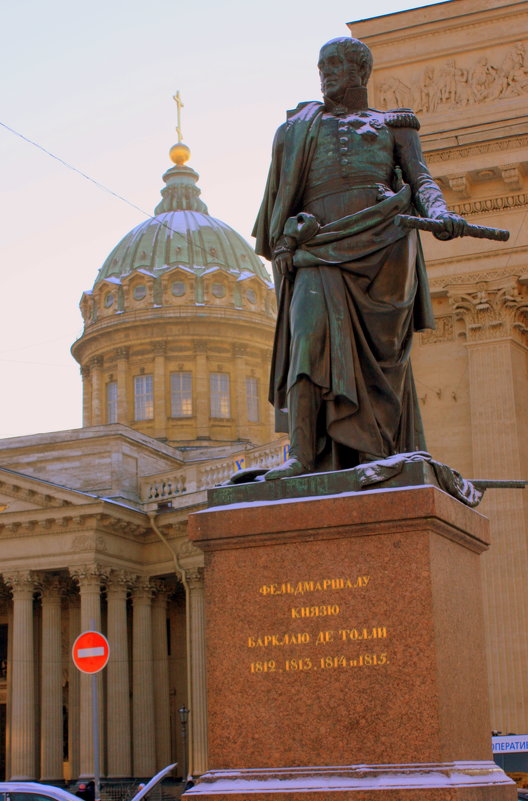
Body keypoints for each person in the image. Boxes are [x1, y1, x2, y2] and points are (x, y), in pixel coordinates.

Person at [253, 36, 465, 479]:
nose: (325, 73)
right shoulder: (297, 128)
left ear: (360, 71)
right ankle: (302, 454)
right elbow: (279, 206)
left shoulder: (395, 125)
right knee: (307, 341)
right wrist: (290, 231)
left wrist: (441, 214)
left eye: (335, 65)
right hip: (317, 249)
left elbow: (420, 180)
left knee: (382, 360)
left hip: (383, 248)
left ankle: (376, 452)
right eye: (321, 66)